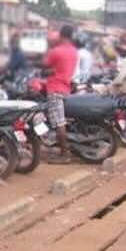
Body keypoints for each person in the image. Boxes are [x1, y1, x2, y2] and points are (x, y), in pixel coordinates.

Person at [44, 25, 79, 163]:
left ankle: (65, 155)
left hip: (55, 89)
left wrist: (48, 46)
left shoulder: (56, 51)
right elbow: (58, 68)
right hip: (65, 87)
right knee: (60, 120)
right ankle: (60, 150)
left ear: (61, 35)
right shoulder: (74, 51)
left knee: (59, 123)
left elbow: (44, 64)